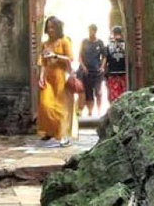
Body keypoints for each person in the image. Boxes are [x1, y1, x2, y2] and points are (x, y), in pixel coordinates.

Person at [37, 16, 76, 146]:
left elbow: (70, 58)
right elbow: (43, 61)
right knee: (45, 105)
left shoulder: (64, 41)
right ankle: (50, 130)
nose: (50, 30)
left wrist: (55, 55)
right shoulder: (45, 44)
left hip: (61, 77)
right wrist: (41, 76)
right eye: (48, 28)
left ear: (58, 28)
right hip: (48, 77)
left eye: (53, 27)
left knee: (62, 108)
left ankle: (64, 135)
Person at [79, 24, 106, 116]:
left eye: (92, 31)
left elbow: (104, 56)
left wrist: (102, 67)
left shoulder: (100, 43)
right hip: (86, 71)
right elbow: (80, 56)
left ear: (95, 31)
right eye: (89, 30)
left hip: (97, 71)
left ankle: (99, 111)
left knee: (98, 91)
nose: (90, 33)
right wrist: (83, 67)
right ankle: (90, 111)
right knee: (88, 92)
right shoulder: (84, 42)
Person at [105, 26, 128, 103]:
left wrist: (105, 73)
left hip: (113, 73)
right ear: (121, 33)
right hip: (124, 72)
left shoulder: (109, 46)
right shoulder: (127, 45)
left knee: (114, 96)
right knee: (124, 94)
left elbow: (106, 59)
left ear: (113, 34)